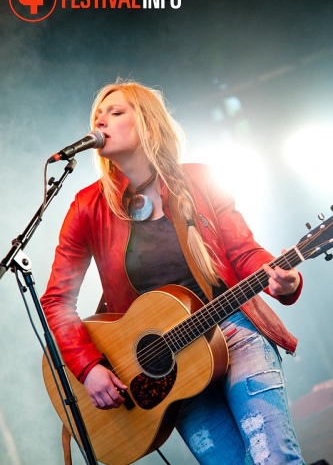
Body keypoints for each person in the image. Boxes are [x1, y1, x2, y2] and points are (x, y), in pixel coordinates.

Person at [40, 79, 305, 464]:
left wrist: (285, 281)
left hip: (233, 332)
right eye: (97, 116)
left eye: (115, 113)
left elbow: (244, 252)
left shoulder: (199, 178)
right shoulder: (87, 208)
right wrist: (88, 367)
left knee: (274, 458)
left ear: (147, 123)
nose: (101, 122)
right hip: (170, 369)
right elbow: (56, 301)